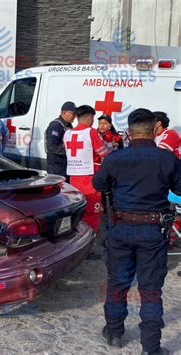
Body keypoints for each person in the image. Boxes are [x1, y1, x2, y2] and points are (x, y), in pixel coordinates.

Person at [93, 108, 181, 355]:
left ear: (129, 132)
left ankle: (114, 333)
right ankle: (151, 348)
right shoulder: (167, 159)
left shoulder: (115, 158)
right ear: (154, 129)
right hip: (153, 231)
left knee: (118, 284)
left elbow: (98, 184)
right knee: (151, 289)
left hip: (121, 228)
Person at [63, 105, 111, 236]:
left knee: (76, 210)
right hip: (89, 178)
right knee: (91, 212)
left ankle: (73, 238)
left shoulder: (67, 133)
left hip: (73, 178)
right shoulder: (91, 132)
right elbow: (104, 152)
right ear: (89, 117)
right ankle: (88, 245)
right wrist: (110, 147)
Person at [44, 101, 77, 180]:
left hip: (65, 165)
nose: (75, 117)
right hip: (56, 166)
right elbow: (51, 147)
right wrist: (67, 150)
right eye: (73, 114)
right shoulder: (55, 126)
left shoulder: (68, 125)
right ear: (64, 112)